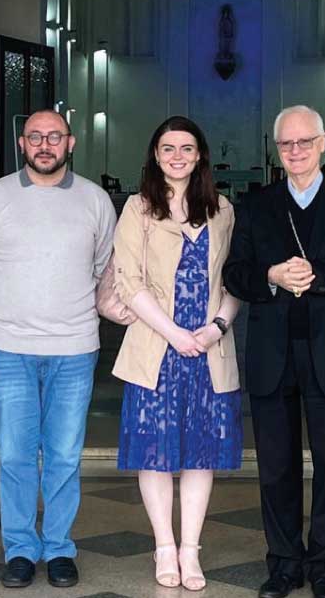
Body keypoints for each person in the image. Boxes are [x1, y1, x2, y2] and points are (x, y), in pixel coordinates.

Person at [223, 105, 325, 598]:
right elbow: (235, 273)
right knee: (275, 465)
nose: (295, 151)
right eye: (286, 144)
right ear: (278, 152)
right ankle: (283, 564)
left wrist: (316, 275)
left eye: (304, 142)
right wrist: (271, 276)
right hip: (272, 353)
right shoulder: (256, 205)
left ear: (322, 145)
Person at [0, 109, 116, 589]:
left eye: (54, 137)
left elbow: (103, 267)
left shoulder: (95, 200)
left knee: (65, 456)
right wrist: (17, 304)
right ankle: (20, 550)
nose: (45, 144)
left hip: (74, 348)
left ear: (70, 143)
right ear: (22, 143)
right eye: (36, 137)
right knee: (13, 455)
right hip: (11, 347)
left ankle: (58, 548)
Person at [112, 116, 242, 591]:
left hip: (208, 351)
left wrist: (214, 328)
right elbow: (129, 281)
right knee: (156, 453)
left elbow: (235, 281)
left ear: (201, 155)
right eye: (168, 148)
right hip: (156, 349)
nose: (177, 156)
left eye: (187, 148)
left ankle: (192, 551)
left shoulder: (222, 210)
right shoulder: (138, 209)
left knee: (200, 455)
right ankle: (164, 546)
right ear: (155, 154)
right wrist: (174, 334)